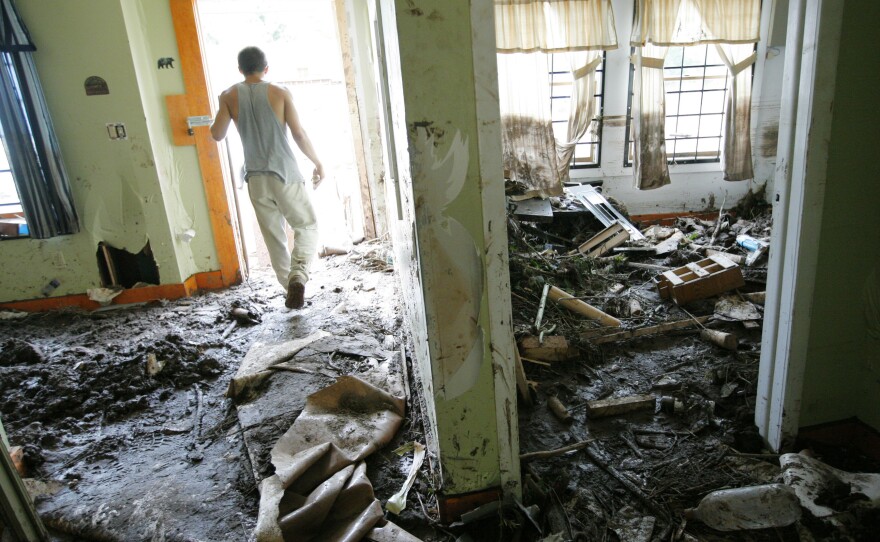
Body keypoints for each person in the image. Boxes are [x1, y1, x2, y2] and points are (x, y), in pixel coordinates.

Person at [210, 46, 324, 309]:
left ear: (240, 69)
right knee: (306, 226)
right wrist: (318, 162)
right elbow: (298, 134)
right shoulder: (280, 92)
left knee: (274, 237)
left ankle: (290, 289)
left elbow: (217, 134)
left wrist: (221, 106)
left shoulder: (228, 95)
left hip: (256, 177)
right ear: (266, 68)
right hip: (285, 173)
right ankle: (299, 277)